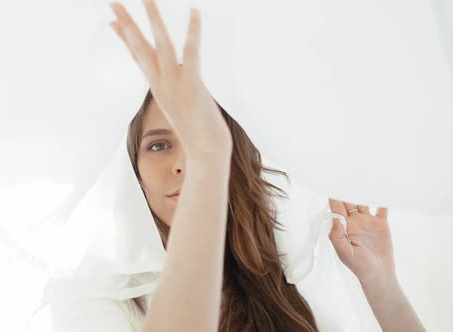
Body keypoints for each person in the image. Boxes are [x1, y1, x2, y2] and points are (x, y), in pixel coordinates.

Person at [105, 1, 427, 331]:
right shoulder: (103, 303)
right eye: (159, 145)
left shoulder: (279, 281)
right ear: (134, 169)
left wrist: (383, 286)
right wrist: (208, 155)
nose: (182, 163)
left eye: (198, 139)